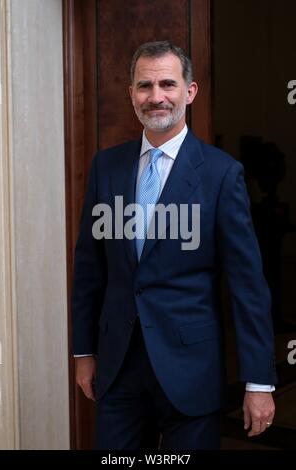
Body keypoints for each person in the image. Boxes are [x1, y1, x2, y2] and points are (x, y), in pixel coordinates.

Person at [72, 41, 276, 450]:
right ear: (131, 94)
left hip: (190, 370)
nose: (156, 96)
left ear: (190, 91)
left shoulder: (221, 174)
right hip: (118, 369)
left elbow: (247, 287)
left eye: (167, 83)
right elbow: (89, 268)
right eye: (144, 86)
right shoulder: (105, 167)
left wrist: (259, 382)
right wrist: (83, 352)